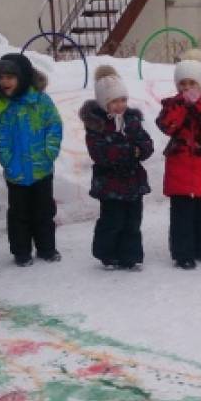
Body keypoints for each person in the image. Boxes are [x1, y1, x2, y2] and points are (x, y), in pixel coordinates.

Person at [0, 52, 63, 267]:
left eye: (10, 77)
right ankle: (21, 251)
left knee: (44, 210)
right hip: (16, 170)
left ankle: (46, 248)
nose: (5, 82)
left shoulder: (40, 100)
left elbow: (54, 125)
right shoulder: (1, 105)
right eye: (1, 77)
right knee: (19, 213)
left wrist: (49, 151)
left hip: (41, 168)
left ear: (23, 76)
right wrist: (7, 159)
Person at [81, 65, 153, 271]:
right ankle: (107, 253)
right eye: (114, 101)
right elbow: (100, 153)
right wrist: (130, 151)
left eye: (123, 100)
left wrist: (141, 150)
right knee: (112, 221)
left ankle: (130, 255)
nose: (119, 105)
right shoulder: (97, 125)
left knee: (132, 221)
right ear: (104, 103)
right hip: (109, 184)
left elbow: (146, 143)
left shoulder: (132, 120)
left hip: (133, 182)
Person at [157, 49, 201, 270]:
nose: (187, 89)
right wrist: (184, 107)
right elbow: (167, 125)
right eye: (183, 84)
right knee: (181, 215)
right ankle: (182, 253)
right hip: (180, 167)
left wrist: (199, 107)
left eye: (192, 84)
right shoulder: (172, 104)